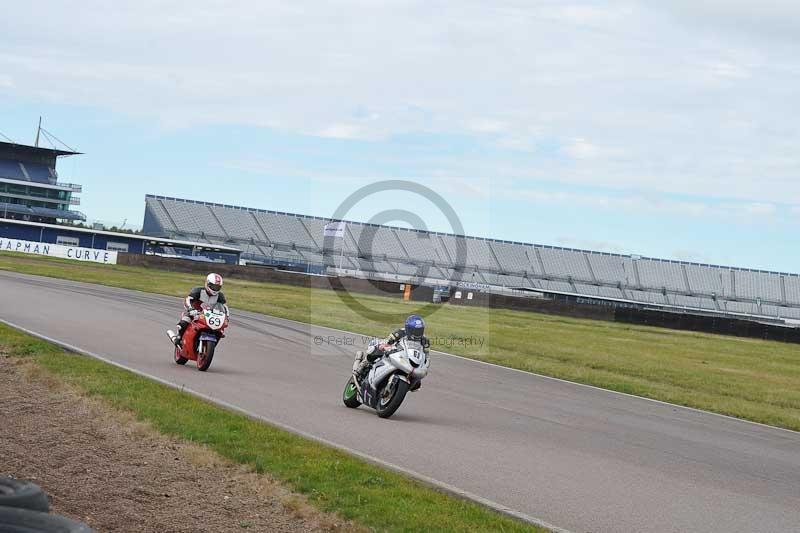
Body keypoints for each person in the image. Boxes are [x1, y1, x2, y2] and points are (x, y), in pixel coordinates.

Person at [353, 314, 430, 388]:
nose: (417, 334)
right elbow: (387, 341)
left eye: (419, 331)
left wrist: (425, 365)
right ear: (408, 329)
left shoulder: (425, 341)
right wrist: (383, 346)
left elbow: (426, 355)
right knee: (375, 349)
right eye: (415, 331)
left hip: (409, 359)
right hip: (395, 353)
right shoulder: (400, 332)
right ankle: (362, 366)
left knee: (417, 382)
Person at [169, 273, 228, 346]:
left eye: (217, 287)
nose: (214, 289)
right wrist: (191, 309)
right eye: (213, 286)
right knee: (184, 323)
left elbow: (224, 307)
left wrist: (226, 317)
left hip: (209, 315)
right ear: (207, 283)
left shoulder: (220, 296)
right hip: (195, 312)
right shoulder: (198, 290)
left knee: (220, 330)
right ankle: (178, 338)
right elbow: (188, 300)